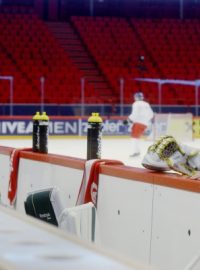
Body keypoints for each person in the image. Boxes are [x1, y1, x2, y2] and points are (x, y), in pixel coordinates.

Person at [127, 91, 154, 157]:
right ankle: (137, 151)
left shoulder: (136, 104)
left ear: (136, 97)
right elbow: (151, 114)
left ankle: (136, 152)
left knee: (134, 138)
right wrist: (146, 120)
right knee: (136, 137)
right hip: (145, 123)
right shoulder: (146, 104)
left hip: (138, 122)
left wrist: (130, 119)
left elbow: (135, 114)